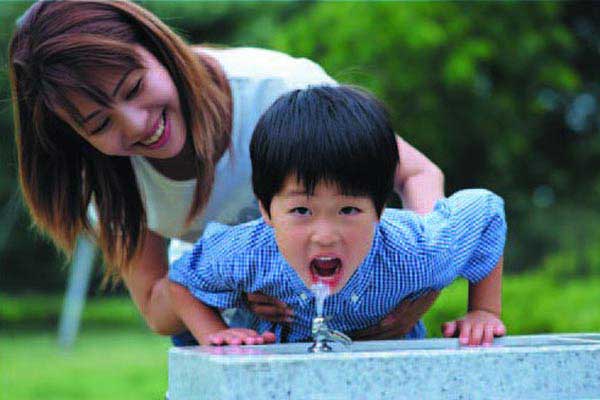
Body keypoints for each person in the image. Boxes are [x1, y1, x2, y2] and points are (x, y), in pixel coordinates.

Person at [9, 0, 444, 345]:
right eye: (100, 124)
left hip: (356, 293)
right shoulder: (106, 179)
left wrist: (420, 278)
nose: (136, 124)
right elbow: (156, 307)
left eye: (135, 88)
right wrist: (238, 287)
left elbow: (417, 173)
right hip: (226, 321)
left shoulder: (275, 90)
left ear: (158, 48)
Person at [169, 85, 507, 346]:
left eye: (348, 210)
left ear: (380, 209)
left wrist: (484, 311)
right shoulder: (248, 252)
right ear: (266, 210)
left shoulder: (415, 251)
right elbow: (182, 280)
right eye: (301, 210)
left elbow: (486, 212)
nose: (326, 235)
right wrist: (215, 333)